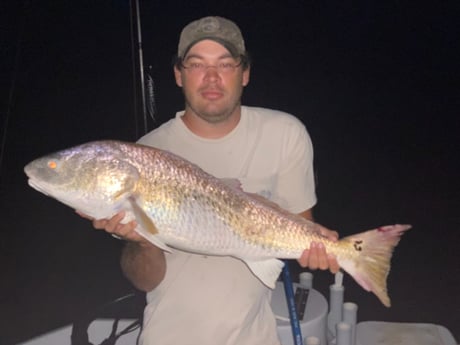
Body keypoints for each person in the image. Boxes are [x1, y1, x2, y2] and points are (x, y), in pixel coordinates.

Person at [84, 16, 339, 345]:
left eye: (226, 64)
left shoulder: (284, 135)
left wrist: (322, 249)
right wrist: (142, 241)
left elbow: (300, 228)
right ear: (178, 75)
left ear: (245, 73)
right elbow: (145, 281)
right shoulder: (146, 155)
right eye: (196, 64)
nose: (212, 78)